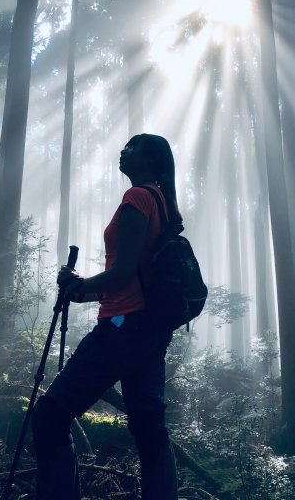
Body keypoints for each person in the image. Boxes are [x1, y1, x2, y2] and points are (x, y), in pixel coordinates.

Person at [31, 133, 180, 500]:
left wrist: (77, 287)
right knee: (149, 429)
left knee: (49, 416)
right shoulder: (163, 203)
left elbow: (122, 274)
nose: (123, 150)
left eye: (133, 147)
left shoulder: (137, 197)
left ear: (149, 159)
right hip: (149, 330)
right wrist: (82, 293)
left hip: (121, 328)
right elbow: (131, 278)